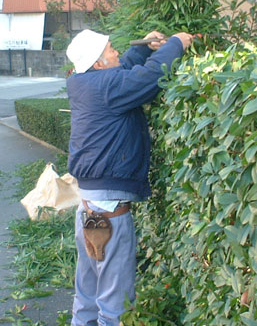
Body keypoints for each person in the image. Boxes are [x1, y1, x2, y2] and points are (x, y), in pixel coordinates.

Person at [65, 29, 193, 325]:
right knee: (114, 303)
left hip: (89, 210)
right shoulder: (108, 86)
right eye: (111, 49)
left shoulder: (86, 83)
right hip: (110, 214)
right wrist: (176, 44)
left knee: (87, 294)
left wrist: (145, 47)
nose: (117, 52)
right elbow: (147, 78)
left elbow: (123, 73)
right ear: (98, 64)